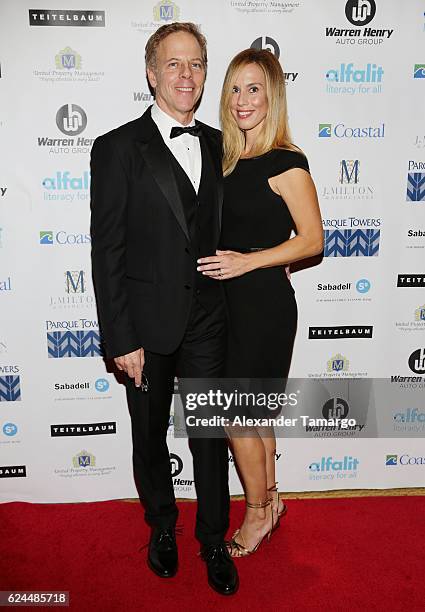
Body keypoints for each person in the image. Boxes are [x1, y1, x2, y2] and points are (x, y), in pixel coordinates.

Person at [90, 23, 238, 595]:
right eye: (173, 64)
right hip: (145, 329)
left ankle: (213, 539)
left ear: (205, 75)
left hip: (208, 320)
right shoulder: (116, 148)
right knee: (150, 436)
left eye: (196, 64)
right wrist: (120, 337)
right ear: (151, 73)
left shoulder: (219, 143)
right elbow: (107, 250)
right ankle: (161, 527)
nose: (186, 75)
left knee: (208, 436)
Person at [197, 49, 323, 556]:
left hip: (263, 304)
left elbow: (313, 240)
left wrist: (252, 261)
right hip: (225, 304)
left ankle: (254, 515)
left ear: (273, 95)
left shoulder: (286, 161)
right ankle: (270, 500)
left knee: (238, 415)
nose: (242, 99)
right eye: (234, 88)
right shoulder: (225, 161)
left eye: (254, 88)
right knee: (257, 413)